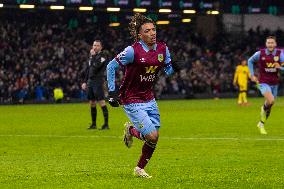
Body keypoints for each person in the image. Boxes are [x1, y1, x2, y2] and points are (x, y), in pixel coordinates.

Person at [106, 13, 182, 178]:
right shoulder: (132, 51)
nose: (152, 33)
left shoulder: (163, 48)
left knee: (154, 137)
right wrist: (112, 92)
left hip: (149, 97)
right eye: (147, 31)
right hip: (131, 99)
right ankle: (138, 164)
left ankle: (139, 166)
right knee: (152, 135)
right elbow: (111, 66)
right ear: (140, 35)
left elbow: (168, 71)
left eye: (154, 29)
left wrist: (175, 66)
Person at [248, 36, 284, 134]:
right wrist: (251, 74)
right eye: (268, 43)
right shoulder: (260, 53)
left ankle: (261, 123)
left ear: (275, 44)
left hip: (275, 83)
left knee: (270, 104)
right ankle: (263, 108)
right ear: (266, 44)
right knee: (271, 100)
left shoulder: (280, 54)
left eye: (272, 43)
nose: (270, 45)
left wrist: (280, 67)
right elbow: (250, 61)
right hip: (262, 82)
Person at [81, 40, 109, 130]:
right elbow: (89, 70)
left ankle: (106, 124)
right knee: (92, 103)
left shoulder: (103, 56)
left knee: (101, 102)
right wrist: (85, 81)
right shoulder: (92, 57)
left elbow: (96, 67)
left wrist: (93, 57)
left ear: (101, 47)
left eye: (97, 45)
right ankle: (93, 124)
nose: (95, 47)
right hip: (90, 82)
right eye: (94, 45)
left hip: (98, 81)